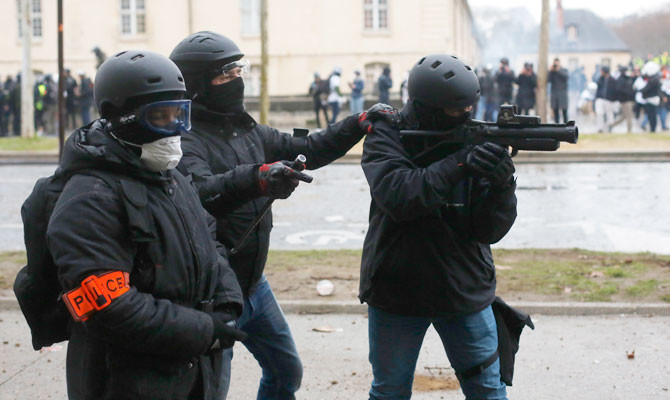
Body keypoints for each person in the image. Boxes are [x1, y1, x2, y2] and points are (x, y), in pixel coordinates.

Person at [169, 31, 386, 399]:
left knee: (286, 373)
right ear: (197, 86)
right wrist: (257, 178)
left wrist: (357, 123)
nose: (236, 80)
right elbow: (201, 193)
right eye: (226, 75)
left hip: (256, 284)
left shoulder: (246, 129)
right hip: (214, 291)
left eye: (239, 71)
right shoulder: (184, 140)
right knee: (210, 390)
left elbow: (307, 147)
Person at [46, 50, 246, 399]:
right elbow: (110, 307)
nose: (174, 129)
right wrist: (204, 330)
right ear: (120, 119)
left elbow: (208, 239)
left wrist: (227, 301)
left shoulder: (170, 177)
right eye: (159, 117)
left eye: (179, 115)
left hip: (191, 371)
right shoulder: (90, 198)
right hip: (126, 381)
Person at [360, 53, 517, 400]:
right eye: (455, 110)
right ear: (426, 107)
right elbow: (400, 196)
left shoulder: (475, 137)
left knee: (488, 391)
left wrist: (502, 187)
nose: (465, 116)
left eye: (469, 108)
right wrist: (460, 162)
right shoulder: (387, 133)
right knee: (389, 391)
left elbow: (488, 231)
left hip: (463, 286)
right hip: (397, 288)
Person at [609, 66, 635, 133]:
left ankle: (611, 125)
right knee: (629, 116)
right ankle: (629, 131)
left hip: (629, 100)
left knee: (624, 116)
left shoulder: (628, 78)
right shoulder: (620, 80)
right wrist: (628, 93)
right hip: (625, 101)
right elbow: (619, 90)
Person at [594, 65, 617, 132]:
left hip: (608, 100)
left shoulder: (612, 79)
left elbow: (614, 90)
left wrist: (612, 99)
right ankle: (600, 128)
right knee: (599, 113)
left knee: (609, 114)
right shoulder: (600, 78)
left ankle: (610, 126)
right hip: (600, 98)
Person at [548, 58, 569, 123]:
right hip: (555, 93)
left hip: (562, 93)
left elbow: (566, 77)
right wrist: (550, 71)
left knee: (564, 111)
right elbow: (548, 80)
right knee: (555, 110)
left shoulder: (564, 70)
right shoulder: (552, 72)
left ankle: (566, 125)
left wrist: (558, 70)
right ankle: (557, 125)